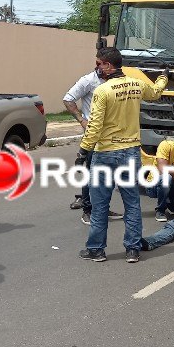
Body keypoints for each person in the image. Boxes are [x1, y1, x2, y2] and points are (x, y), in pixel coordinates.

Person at [79, 47, 167, 264]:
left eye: (100, 64)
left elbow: (95, 126)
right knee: (132, 202)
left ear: (109, 66)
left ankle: (96, 250)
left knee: (100, 204)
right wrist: (164, 77)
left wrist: (83, 149)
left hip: (105, 154)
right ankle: (133, 249)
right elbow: (155, 93)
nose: (97, 68)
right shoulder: (137, 84)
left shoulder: (103, 91)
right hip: (130, 153)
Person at [63, 55, 123, 224]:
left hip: (112, 138)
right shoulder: (88, 80)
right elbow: (68, 99)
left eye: (101, 63)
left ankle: (103, 208)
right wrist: (82, 120)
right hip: (94, 136)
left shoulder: (116, 81)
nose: (98, 66)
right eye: (97, 63)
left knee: (108, 175)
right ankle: (87, 210)